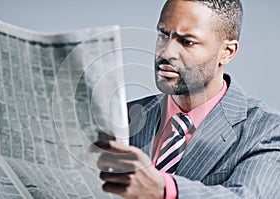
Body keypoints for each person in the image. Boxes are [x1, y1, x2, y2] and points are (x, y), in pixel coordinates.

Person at [90, 0, 280, 198]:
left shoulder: (267, 130)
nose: (166, 52)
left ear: (227, 52)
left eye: (187, 42)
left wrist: (164, 190)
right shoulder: (121, 117)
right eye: (163, 35)